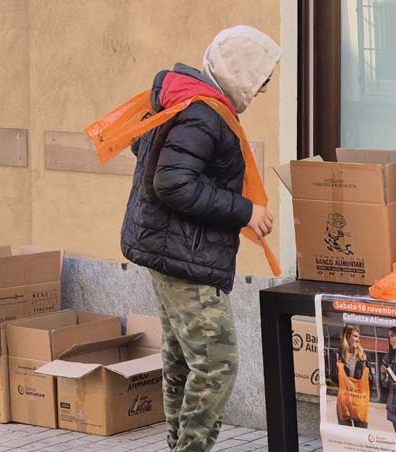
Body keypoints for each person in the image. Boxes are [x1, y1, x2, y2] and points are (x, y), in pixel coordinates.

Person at [120, 26, 282, 452]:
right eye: (261, 79)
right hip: (184, 260)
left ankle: (179, 445)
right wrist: (245, 210)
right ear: (241, 73)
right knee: (216, 364)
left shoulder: (183, 98)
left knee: (182, 361)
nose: (263, 88)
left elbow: (147, 150)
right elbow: (171, 182)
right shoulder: (203, 113)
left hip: (168, 252)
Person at [333, 325, 372, 428]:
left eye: (358, 337)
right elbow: (333, 378)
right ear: (347, 337)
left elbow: (370, 380)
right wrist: (338, 369)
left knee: (361, 433)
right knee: (346, 433)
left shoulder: (364, 356)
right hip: (344, 399)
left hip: (359, 400)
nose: (357, 339)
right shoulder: (339, 355)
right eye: (355, 336)